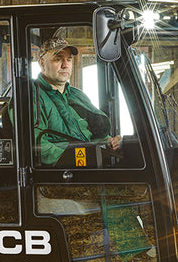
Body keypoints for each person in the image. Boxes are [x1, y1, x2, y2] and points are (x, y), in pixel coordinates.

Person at [33, 32, 122, 166]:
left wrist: (107, 142)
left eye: (69, 59)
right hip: (60, 175)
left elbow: (92, 135)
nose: (65, 65)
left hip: (87, 165)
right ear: (42, 63)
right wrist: (76, 159)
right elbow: (37, 146)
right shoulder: (31, 97)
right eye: (58, 59)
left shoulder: (78, 95)